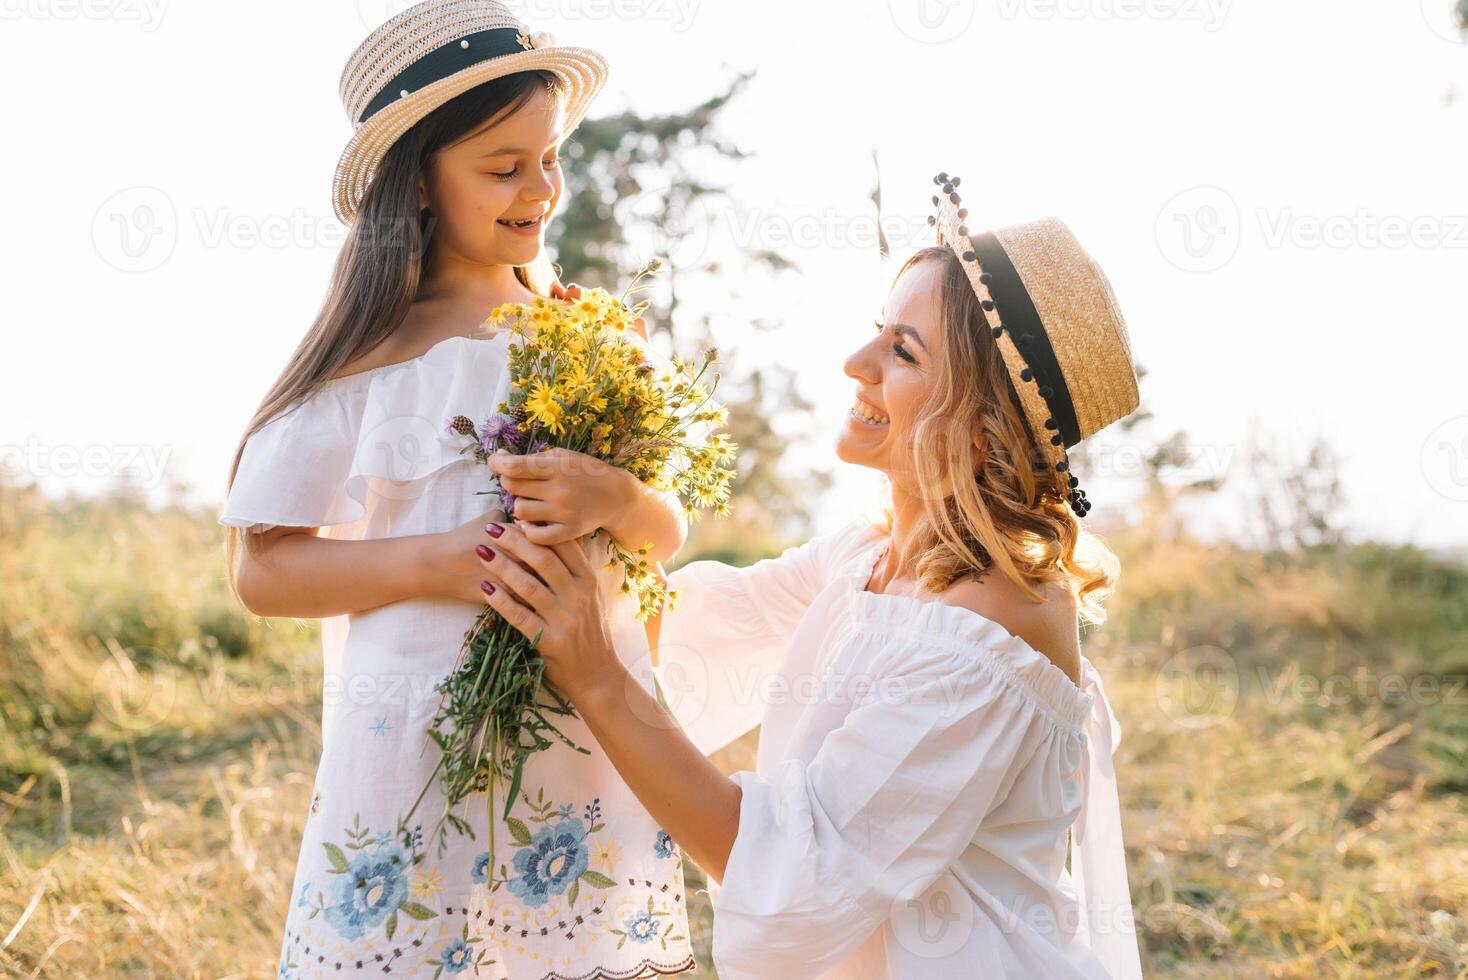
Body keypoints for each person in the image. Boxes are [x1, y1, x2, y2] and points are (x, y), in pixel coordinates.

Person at [470, 175, 1147, 978]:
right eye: (878, 331)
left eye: (903, 352)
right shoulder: (869, 559)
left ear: (980, 429)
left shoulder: (989, 631)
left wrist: (598, 681)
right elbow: (686, 632)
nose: (855, 362)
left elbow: (789, 875)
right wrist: (623, 493)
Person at [220, 2, 697, 976]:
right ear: (421, 184)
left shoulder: (590, 336)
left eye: (550, 155)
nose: (541, 189)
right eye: (503, 166)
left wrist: (616, 496)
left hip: (577, 730)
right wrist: (438, 561)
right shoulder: (375, 356)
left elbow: (665, 531)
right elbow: (262, 570)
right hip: (416, 734)